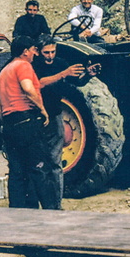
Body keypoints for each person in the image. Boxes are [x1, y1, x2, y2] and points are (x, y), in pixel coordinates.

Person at [33, 35, 99, 201]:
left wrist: (88, 75)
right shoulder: (35, 65)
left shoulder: (60, 63)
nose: (50, 56)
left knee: (55, 159)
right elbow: (39, 83)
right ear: (40, 52)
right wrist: (63, 73)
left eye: (53, 52)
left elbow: (76, 82)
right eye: (46, 52)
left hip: (55, 114)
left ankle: (55, 199)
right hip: (37, 115)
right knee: (39, 158)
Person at [0, 36, 58, 210]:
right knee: (40, 168)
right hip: (27, 120)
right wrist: (42, 110)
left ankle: (18, 212)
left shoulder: (4, 71)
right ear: (25, 51)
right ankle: (51, 211)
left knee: (17, 172)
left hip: (9, 123)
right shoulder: (23, 65)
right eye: (33, 50)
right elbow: (29, 89)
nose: (35, 53)